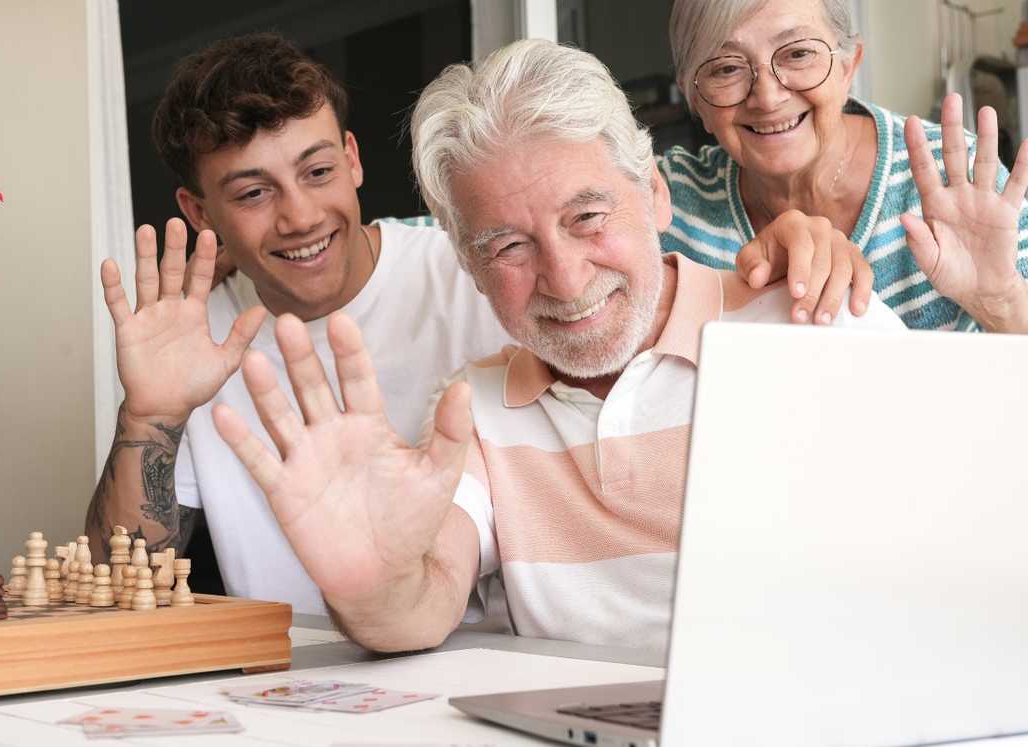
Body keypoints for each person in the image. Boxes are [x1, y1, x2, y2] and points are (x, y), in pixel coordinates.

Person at [211, 39, 906, 659]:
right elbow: (417, 609)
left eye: (588, 218)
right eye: (508, 245)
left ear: (655, 195)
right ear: (469, 265)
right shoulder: (474, 408)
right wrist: (368, 578)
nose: (566, 278)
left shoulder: (815, 316)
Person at [83, 33, 515, 613]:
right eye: (255, 193)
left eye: (317, 171)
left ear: (353, 159)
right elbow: (120, 591)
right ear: (199, 212)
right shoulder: (191, 340)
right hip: (284, 680)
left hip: (482, 669)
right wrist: (149, 415)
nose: (301, 217)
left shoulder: (478, 277)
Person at [662, 0, 1028, 332]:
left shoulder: (957, 177)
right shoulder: (665, 202)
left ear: (848, 66)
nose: (768, 98)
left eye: (798, 53)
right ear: (696, 101)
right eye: (727, 69)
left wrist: (1000, 301)